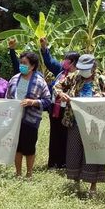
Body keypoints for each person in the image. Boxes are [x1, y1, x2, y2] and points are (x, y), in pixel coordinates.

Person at [54, 54, 105, 196]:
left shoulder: (102, 80)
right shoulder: (74, 77)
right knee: (74, 150)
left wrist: (103, 96)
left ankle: (93, 185)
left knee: (93, 152)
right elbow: (57, 86)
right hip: (75, 120)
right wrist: (61, 94)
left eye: (86, 69)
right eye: (81, 69)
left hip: (95, 123)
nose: (82, 71)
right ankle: (75, 181)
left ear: (93, 67)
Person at [6, 51, 51, 178]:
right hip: (15, 119)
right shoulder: (14, 79)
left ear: (32, 66)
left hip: (30, 120)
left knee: (29, 147)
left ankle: (29, 173)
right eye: (21, 63)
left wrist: (33, 102)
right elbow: (8, 97)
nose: (22, 65)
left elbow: (47, 100)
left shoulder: (39, 81)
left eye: (24, 63)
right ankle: (18, 173)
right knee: (17, 147)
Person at [39, 37, 80, 169]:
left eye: (66, 59)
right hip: (55, 109)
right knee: (55, 135)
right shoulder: (61, 72)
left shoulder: (79, 75)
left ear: (72, 61)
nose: (64, 61)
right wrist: (44, 48)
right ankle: (53, 162)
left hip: (68, 110)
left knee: (66, 136)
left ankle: (65, 163)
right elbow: (49, 62)